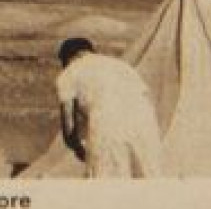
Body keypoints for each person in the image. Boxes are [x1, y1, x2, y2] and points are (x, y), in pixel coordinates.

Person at [53, 38, 166, 178]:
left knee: (107, 186)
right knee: (149, 180)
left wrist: (77, 148)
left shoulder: (68, 73)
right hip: (146, 123)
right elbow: (146, 98)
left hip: (107, 124)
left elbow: (69, 125)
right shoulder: (122, 66)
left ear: (68, 57)